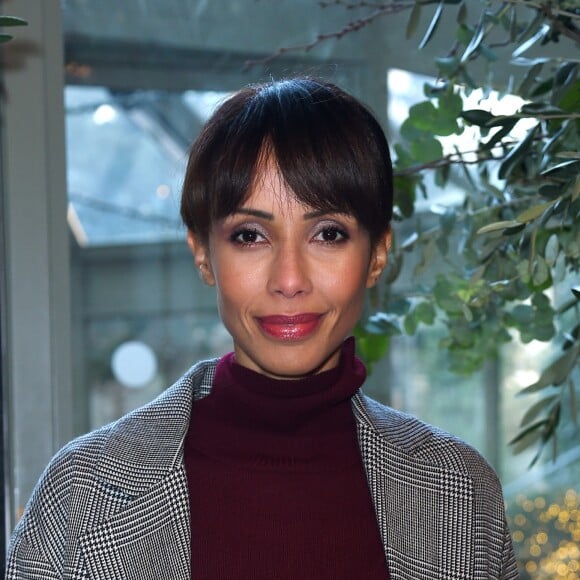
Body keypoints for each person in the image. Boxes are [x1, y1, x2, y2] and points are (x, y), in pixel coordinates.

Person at [6, 78, 519, 579]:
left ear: (377, 255)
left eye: (328, 234)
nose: (289, 280)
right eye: (250, 236)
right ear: (203, 255)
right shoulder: (84, 490)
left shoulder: (460, 491)